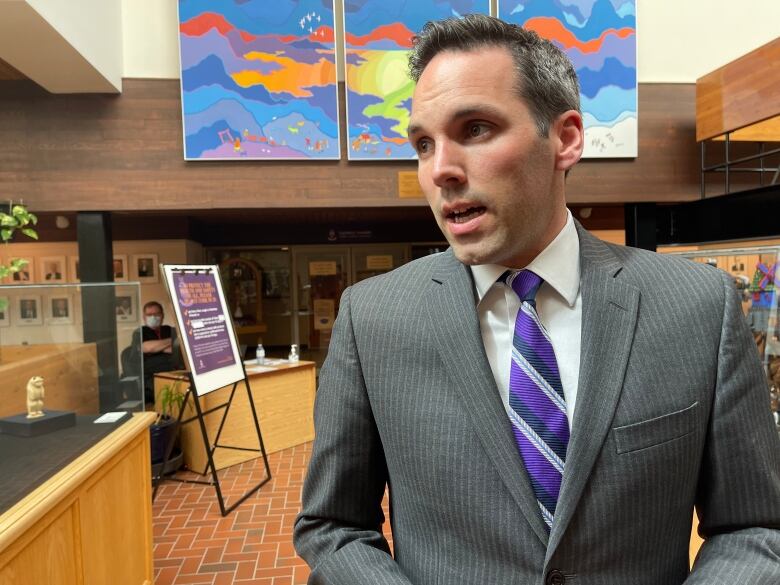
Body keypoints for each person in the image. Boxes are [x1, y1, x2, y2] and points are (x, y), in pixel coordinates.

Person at [293, 14, 780, 585]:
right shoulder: (372, 317)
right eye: (424, 143)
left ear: (566, 138)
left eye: (475, 129)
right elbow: (333, 527)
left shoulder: (698, 305)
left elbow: (755, 526)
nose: (441, 169)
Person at [131, 300, 179, 404]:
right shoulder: (140, 332)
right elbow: (147, 348)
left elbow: (178, 348)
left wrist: (158, 346)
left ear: (162, 316)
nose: (153, 317)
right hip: (151, 375)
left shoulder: (169, 329)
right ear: (144, 317)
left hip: (174, 371)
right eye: (149, 314)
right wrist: (170, 342)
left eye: (156, 314)